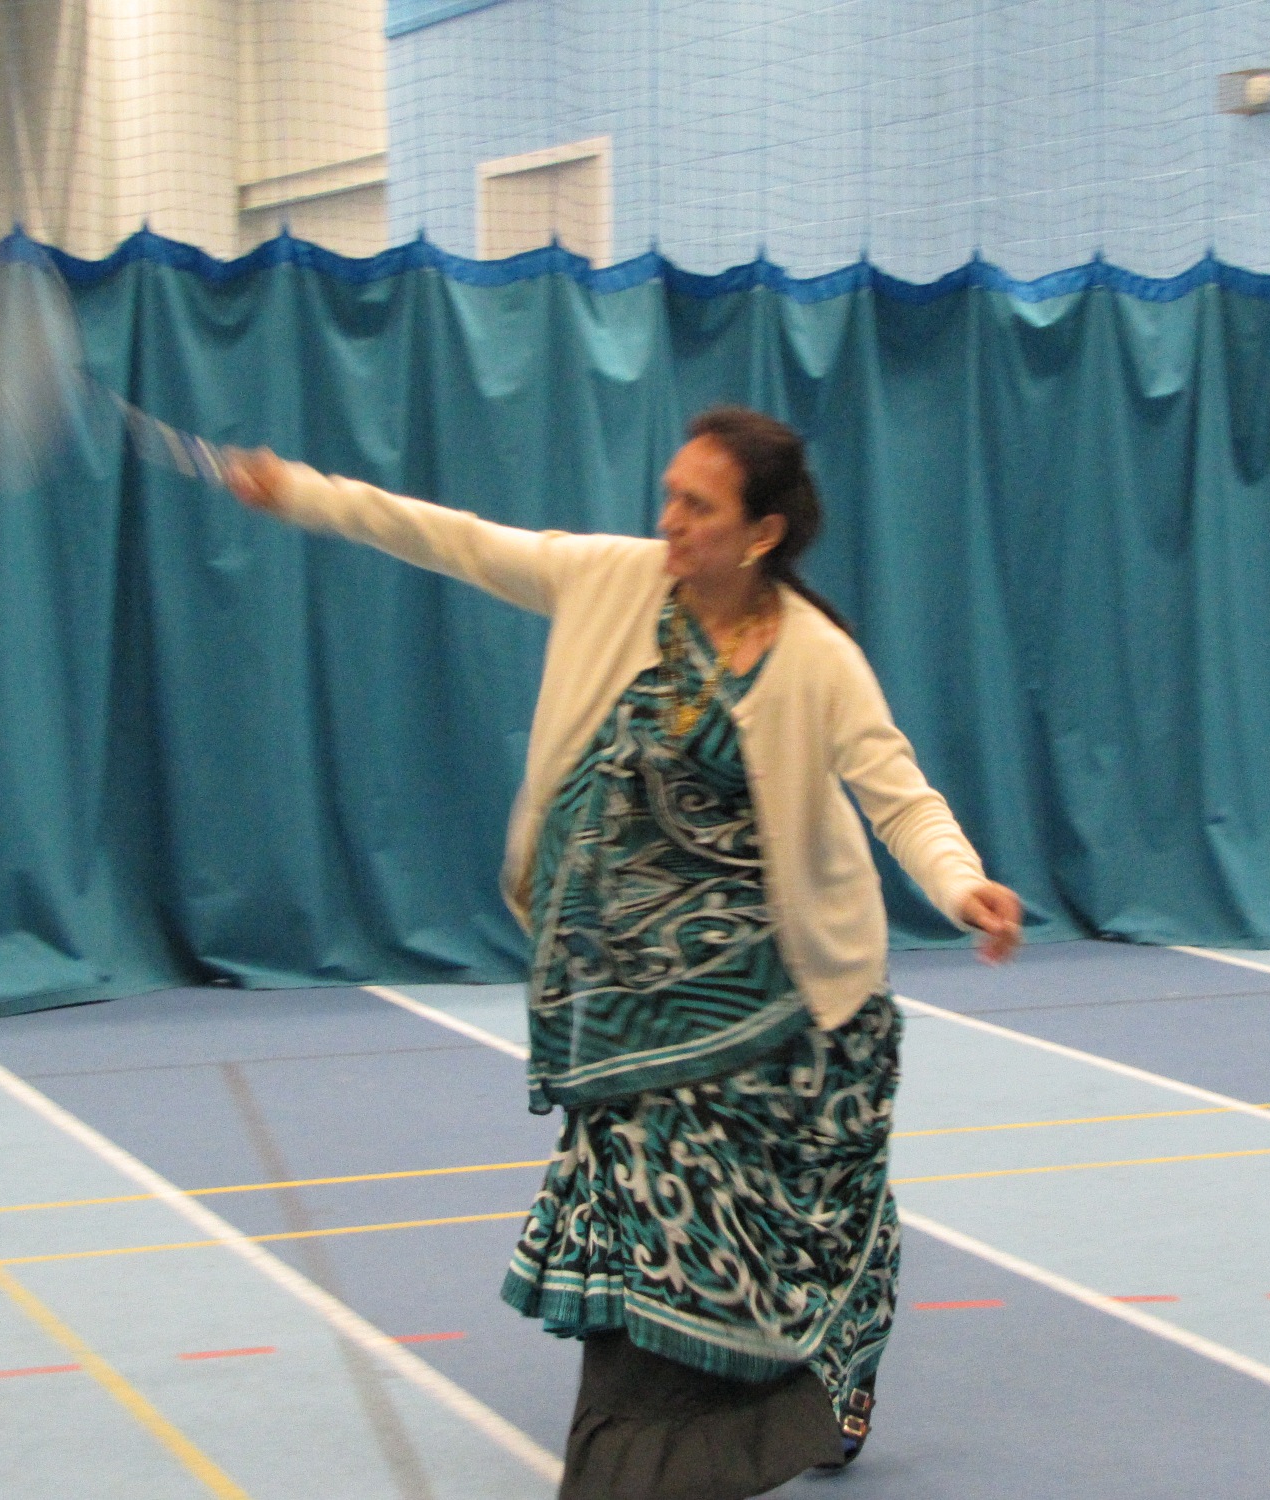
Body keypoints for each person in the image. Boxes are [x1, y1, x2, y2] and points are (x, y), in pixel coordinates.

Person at [225, 407, 1023, 1500]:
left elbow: (895, 791)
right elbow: (450, 536)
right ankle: (649, 1453)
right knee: (649, 1202)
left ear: (759, 534)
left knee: (820, 1219)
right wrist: (301, 490)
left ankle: (828, 1357)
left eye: (698, 505)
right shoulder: (610, 581)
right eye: (670, 495)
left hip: (782, 996)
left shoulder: (815, 659)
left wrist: (959, 880)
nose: (670, 521)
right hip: (621, 1006)